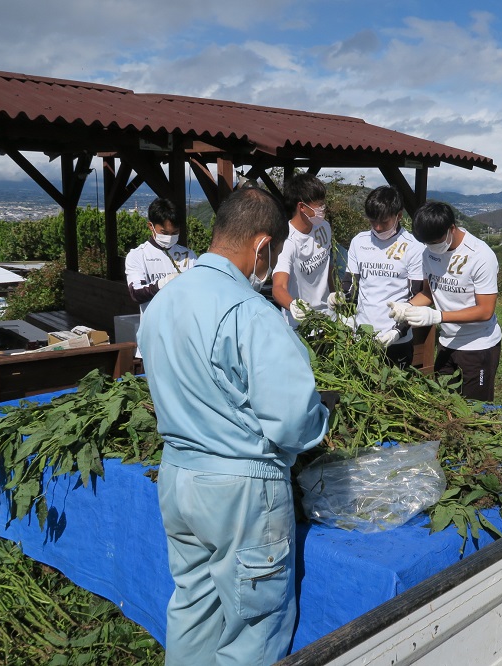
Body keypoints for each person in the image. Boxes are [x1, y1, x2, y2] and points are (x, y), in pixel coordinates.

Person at [137, 187, 330, 665]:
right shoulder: (251, 312)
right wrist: (322, 420)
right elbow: (293, 421)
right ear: (262, 246)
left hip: (179, 476)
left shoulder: (164, 300)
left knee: (194, 607)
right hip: (240, 490)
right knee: (253, 628)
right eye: (272, 255)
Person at [389, 201, 502, 401]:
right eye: (427, 243)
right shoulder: (428, 253)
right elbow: (429, 292)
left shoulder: (480, 256)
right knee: (444, 404)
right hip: (446, 342)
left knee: (475, 409)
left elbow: (485, 311)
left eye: (435, 241)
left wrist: (438, 316)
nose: (432, 247)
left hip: (478, 346)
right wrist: (407, 306)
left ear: (452, 228)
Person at [335, 186, 424, 367]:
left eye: (384, 222)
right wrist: (340, 299)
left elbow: (416, 296)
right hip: (363, 335)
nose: (377, 227)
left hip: (397, 340)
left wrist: (397, 332)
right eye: (372, 221)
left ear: (399, 216)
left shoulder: (413, 247)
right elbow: (351, 285)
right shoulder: (359, 242)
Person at [272, 174, 333, 328]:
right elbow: (278, 287)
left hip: (328, 319)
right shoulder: (287, 241)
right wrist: (293, 305)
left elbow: (328, 265)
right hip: (301, 323)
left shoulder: (324, 227)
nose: (322, 208)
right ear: (302, 207)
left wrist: (335, 294)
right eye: (318, 205)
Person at [125, 198, 197, 314]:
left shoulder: (189, 255)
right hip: (153, 323)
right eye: (164, 233)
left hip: (183, 322)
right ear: (151, 226)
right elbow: (136, 294)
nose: (169, 237)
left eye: (175, 233)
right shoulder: (138, 255)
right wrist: (162, 283)